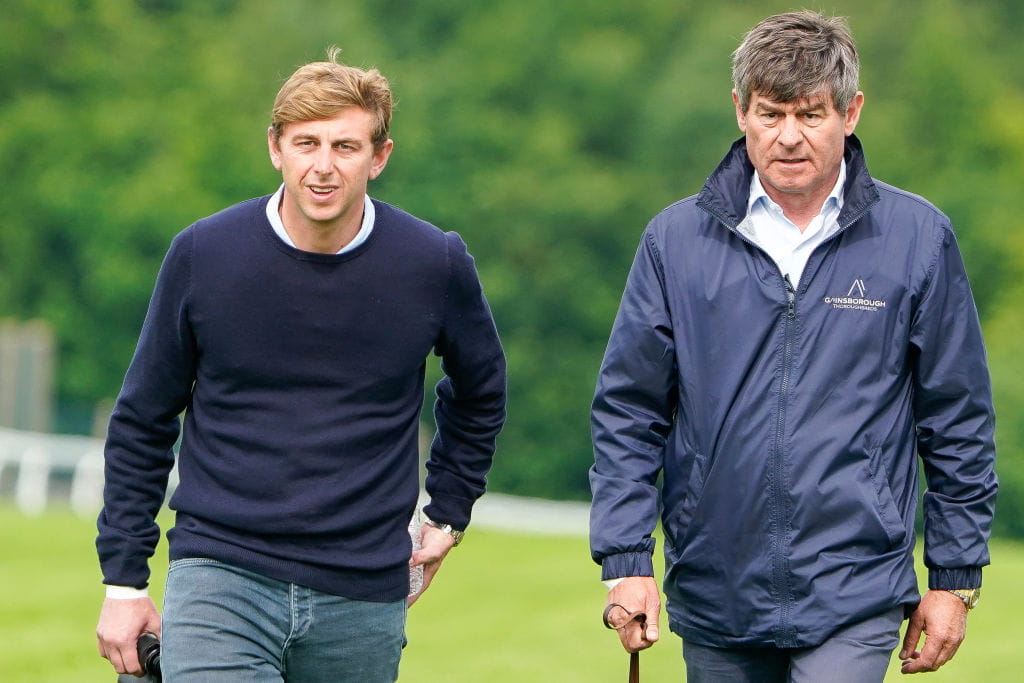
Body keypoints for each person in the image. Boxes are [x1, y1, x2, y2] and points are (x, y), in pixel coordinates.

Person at [590, 11, 996, 682]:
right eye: (771, 114)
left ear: (851, 111)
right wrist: (626, 561)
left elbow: (957, 419)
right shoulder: (674, 242)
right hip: (715, 584)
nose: (788, 137)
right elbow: (628, 413)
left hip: (856, 589)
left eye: (811, 115)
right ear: (740, 111)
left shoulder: (918, 239)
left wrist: (954, 579)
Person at [95, 47, 506, 681]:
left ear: (380, 156)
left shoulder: (433, 262)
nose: (322, 167)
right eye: (305, 143)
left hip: (363, 594)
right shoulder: (205, 254)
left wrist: (448, 509)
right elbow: (143, 418)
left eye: (344, 147)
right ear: (275, 148)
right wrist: (124, 581)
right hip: (220, 573)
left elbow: (481, 391)